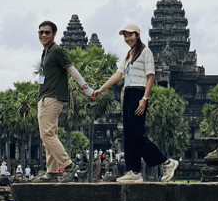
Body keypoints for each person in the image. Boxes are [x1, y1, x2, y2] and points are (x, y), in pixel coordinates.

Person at [92, 24, 178, 182]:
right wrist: (100, 90)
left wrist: (144, 98)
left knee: (137, 134)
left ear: (137, 35)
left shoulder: (146, 52)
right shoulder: (128, 55)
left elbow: (151, 76)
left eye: (130, 35)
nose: (127, 39)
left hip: (139, 93)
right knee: (129, 135)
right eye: (125, 36)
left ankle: (166, 162)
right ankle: (134, 171)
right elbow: (118, 74)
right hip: (128, 93)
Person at [35, 20, 93, 182]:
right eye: (41, 32)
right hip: (45, 97)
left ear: (54, 34)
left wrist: (87, 89)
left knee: (46, 134)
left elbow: (71, 69)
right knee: (50, 134)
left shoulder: (57, 51)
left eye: (47, 32)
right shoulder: (46, 53)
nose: (43, 35)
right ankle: (52, 171)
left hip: (52, 97)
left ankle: (67, 165)